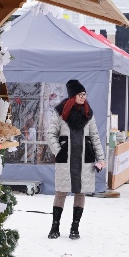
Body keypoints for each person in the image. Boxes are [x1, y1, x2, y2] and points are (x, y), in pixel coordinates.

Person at [49, 79, 106, 241]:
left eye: (85, 94)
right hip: (65, 158)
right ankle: (55, 226)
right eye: (81, 94)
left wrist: (100, 158)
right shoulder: (60, 113)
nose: (84, 97)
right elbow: (50, 134)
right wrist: (59, 151)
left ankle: (75, 227)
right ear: (73, 96)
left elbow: (95, 136)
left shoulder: (88, 113)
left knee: (80, 192)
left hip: (84, 158)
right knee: (61, 191)